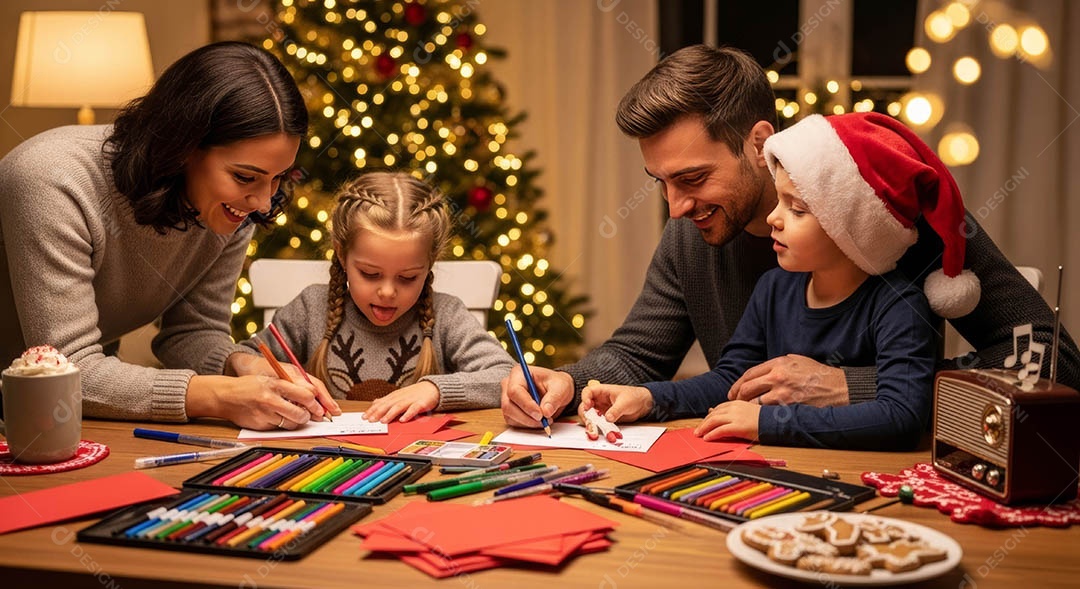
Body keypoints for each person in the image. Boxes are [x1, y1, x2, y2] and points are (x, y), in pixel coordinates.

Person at [501, 44, 1079, 430]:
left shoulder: (882, 210)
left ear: (758, 142)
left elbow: (1051, 362)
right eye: (660, 183)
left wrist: (857, 387)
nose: (675, 207)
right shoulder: (691, 236)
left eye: (693, 178)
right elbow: (636, 354)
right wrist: (568, 383)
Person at [583, 112, 975, 450]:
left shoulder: (898, 305)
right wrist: (649, 397)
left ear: (852, 228)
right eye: (779, 201)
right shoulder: (774, 288)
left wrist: (767, 423)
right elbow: (731, 380)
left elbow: (900, 417)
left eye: (797, 209)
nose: (774, 217)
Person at [0, 41, 340, 430]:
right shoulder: (53, 180)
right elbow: (64, 374)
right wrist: (218, 396)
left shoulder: (231, 207)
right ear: (181, 148)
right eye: (245, 177)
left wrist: (240, 365)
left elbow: (192, 332)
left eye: (277, 177)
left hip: (60, 423)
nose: (264, 202)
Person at [246, 172, 513, 423]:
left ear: (429, 263)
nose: (387, 292)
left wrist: (435, 389)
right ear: (341, 254)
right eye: (370, 274)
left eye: (407, 278)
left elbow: (506, 375)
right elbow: (240, 358)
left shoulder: (447, 315)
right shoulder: (310, 308)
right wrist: (272, 379)